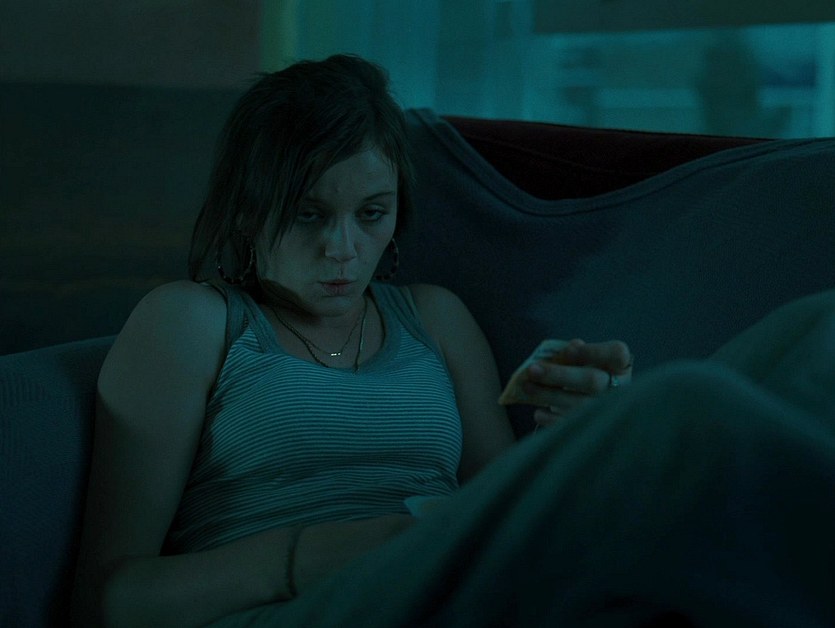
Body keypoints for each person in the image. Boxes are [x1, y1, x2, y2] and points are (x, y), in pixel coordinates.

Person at [71, 54, 835, 628]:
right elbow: (107, 598)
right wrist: (304, 559)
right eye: (307, 215)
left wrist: (574, 438)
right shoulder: (192, 320)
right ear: (246, 211)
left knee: (814, 336)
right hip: (301, 604)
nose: (342, 249)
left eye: (371, 214)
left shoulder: (432, 316)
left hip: (452, 584)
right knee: (686, 411)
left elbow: (496, 510)